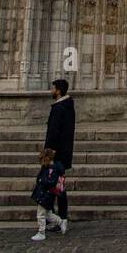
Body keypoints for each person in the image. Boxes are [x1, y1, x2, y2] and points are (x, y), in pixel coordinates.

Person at [44, 78, 76, 230]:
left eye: (53, 88)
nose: (52, 91)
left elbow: (53, 133)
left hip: (56, 156)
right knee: (56, 187)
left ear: (58, 91)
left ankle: (57, 218)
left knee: (55, 187)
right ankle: (58, 218)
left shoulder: (59, 108)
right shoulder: (69, 107)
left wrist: (48, 154)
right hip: (63, 154)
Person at [30, 147, 65, 241]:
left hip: (46, 195)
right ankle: (60, 222)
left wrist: (42, 181)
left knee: (40, 215)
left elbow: (51, 182)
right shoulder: (46, 168)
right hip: (43, 194)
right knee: (48, 214)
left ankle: (41, 232)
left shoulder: (52, 170)